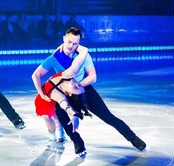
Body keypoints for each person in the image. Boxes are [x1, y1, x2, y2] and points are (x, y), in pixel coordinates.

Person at [32, 27, 146, 155]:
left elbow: (93, 77)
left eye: (75, 43)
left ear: (79, 43)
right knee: (62, 114)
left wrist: (78, 86)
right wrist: (42, 94)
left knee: (108, 117)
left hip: (84, 89)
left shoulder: (83, 55)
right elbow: (36, 75)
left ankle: (133, 138)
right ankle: (78, 143)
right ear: (64, 39)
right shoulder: (54, 57)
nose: (71, 46)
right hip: (65, 92)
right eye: (69, 42)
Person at [33, 44, 92, 158]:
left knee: (57, 116)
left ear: (69, 94)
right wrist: (64, 45)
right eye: (78, 85)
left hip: (51, 99)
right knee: (48, 119)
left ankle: (59, 130)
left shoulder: (59, 95)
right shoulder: (70, 74)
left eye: (75, 88)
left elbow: (65, 105)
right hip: (43, 100)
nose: (76, 84)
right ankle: (52, 133)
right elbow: (84, 51)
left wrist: (73, 115)